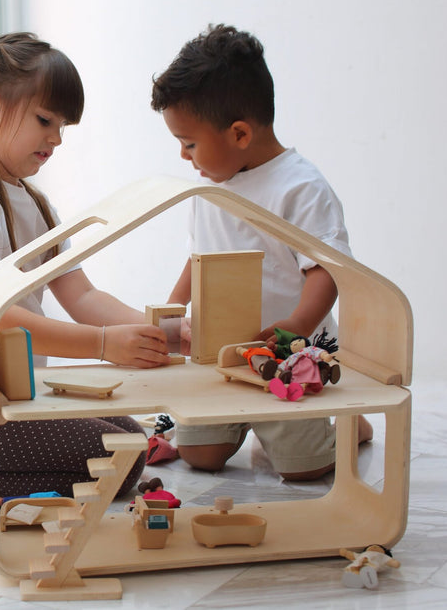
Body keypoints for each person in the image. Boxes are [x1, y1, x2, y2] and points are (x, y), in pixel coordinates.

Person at [0, 32, 172, 499]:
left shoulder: (36, 203)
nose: (56, 138)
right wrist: (103, 344)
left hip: (13, 392)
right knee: (121, 464)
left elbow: (82, 295)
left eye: (62, 126)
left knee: (130, 439)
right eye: (45, 120)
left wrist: (157, 332)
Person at [150, 24, 372, 481]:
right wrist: (173, 310)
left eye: (189, 143)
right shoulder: (208, 189)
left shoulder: (301, 187)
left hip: (288, 356)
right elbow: (199, 259)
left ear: (239, 134)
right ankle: (252, 424)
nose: (184, 156)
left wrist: (296, 327)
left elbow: (326, 271)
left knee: (304, 468)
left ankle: (350, 428)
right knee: (200, 455)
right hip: (223, 356)